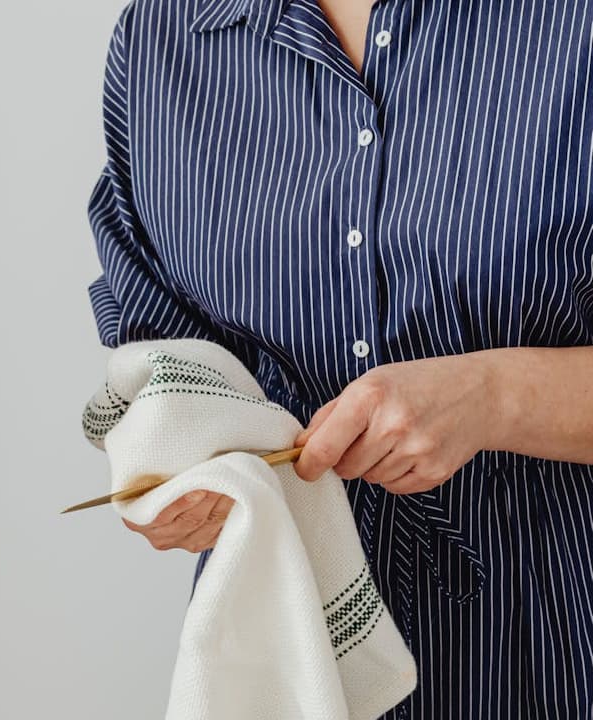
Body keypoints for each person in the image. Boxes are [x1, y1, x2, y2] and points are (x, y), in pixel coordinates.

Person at [88, 0, 593, 716]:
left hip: (559, 647)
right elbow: (163, 363)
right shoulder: (162, 41)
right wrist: (176, 470)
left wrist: (497, 396)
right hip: (287, 665)